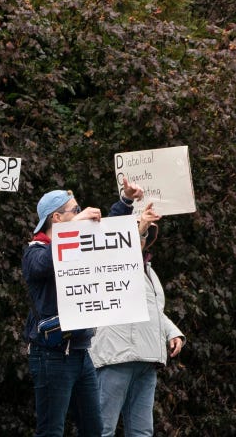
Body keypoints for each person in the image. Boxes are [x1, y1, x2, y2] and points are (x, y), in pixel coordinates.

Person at [23, 179, 146, 437]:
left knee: (93, 429)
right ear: (57, 218)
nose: (83, 214)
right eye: (75, 210)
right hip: (50, 355)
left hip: (80, 353)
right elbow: (43, 265)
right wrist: (75, 227)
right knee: (51, 431)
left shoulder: (78, 242)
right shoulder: (35, 251)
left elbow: (107, 235)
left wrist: (125, 201)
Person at [89, 199, 183, 437]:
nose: (141, 239)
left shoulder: (149, 270)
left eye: (144, 236)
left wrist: (172, 332)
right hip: (117, 356)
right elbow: (118, 251)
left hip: (147, 358)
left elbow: (153, 309)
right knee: (103, 429)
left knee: (142, 431)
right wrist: (138, 225)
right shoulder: (110, 262)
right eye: (138, 234)